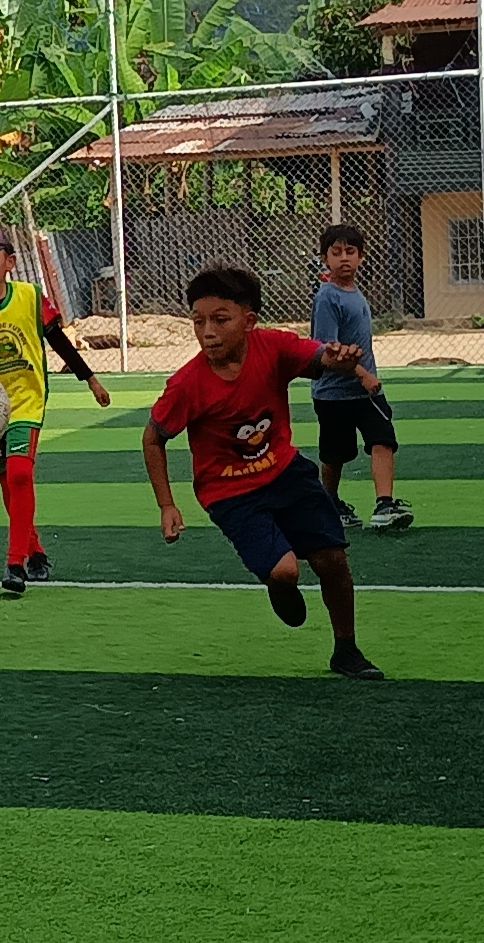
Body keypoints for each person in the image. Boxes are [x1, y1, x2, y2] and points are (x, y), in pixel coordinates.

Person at [142, 265, 384, 680]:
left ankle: (346, 650)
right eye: (198, 322)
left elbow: (318, 356)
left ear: (249, 321)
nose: (207, 332)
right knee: (285, 570)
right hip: (229, 493)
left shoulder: (272, 347)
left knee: (332, 559)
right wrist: (167, 504)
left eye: (220, 320)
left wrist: (340, 359)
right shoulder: (186, 385)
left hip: (287, 472)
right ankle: (279, 584)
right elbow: (153, 439)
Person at [0, 225, 109, 595]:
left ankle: (15, 563)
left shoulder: (32, 297)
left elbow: (58, 340)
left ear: (11, 262)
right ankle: (35, 552)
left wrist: (90, 378)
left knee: (20, 474)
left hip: (26, 401)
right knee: (8, 483)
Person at [307, 224, 410, 532]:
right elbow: (328, 348)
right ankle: (329, 502)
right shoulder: (327, 297)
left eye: (350, 252)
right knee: (334, 454)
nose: (344, 258)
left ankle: (384, 504)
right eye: (336, 252)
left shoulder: (355, 292)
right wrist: (362, 373)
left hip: (366, 393)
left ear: (361, 257)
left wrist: (367, 378)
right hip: (334, 393)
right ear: (325, 259)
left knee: (383, 439)